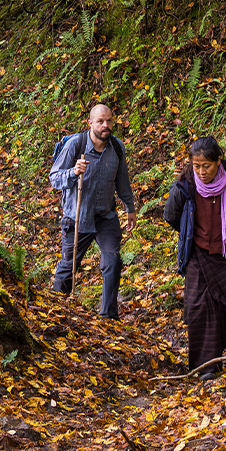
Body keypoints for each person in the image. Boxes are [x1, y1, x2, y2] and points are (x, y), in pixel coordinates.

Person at [162, 136, 226, 378]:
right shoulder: (185, 185)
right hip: (199, 254)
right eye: (196, 166)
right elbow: (171, 215)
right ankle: (206, 367)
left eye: (206, 166)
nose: (201, 172)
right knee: (198, 307)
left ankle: (222, 351)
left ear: (219, 162)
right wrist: (193, 234)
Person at [47, 103, 137, 318]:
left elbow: (122, 180)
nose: (105, 125)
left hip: (106, 216)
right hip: (77, 217)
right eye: (100, 121)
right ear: (90, 123)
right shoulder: (75, 146)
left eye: (109, 121)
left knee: (113, 261)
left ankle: (108, 316)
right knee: (69, 267)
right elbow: (54, 178)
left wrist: (130, 207)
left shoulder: (117, 147)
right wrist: (73, 171)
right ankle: (55, 310)